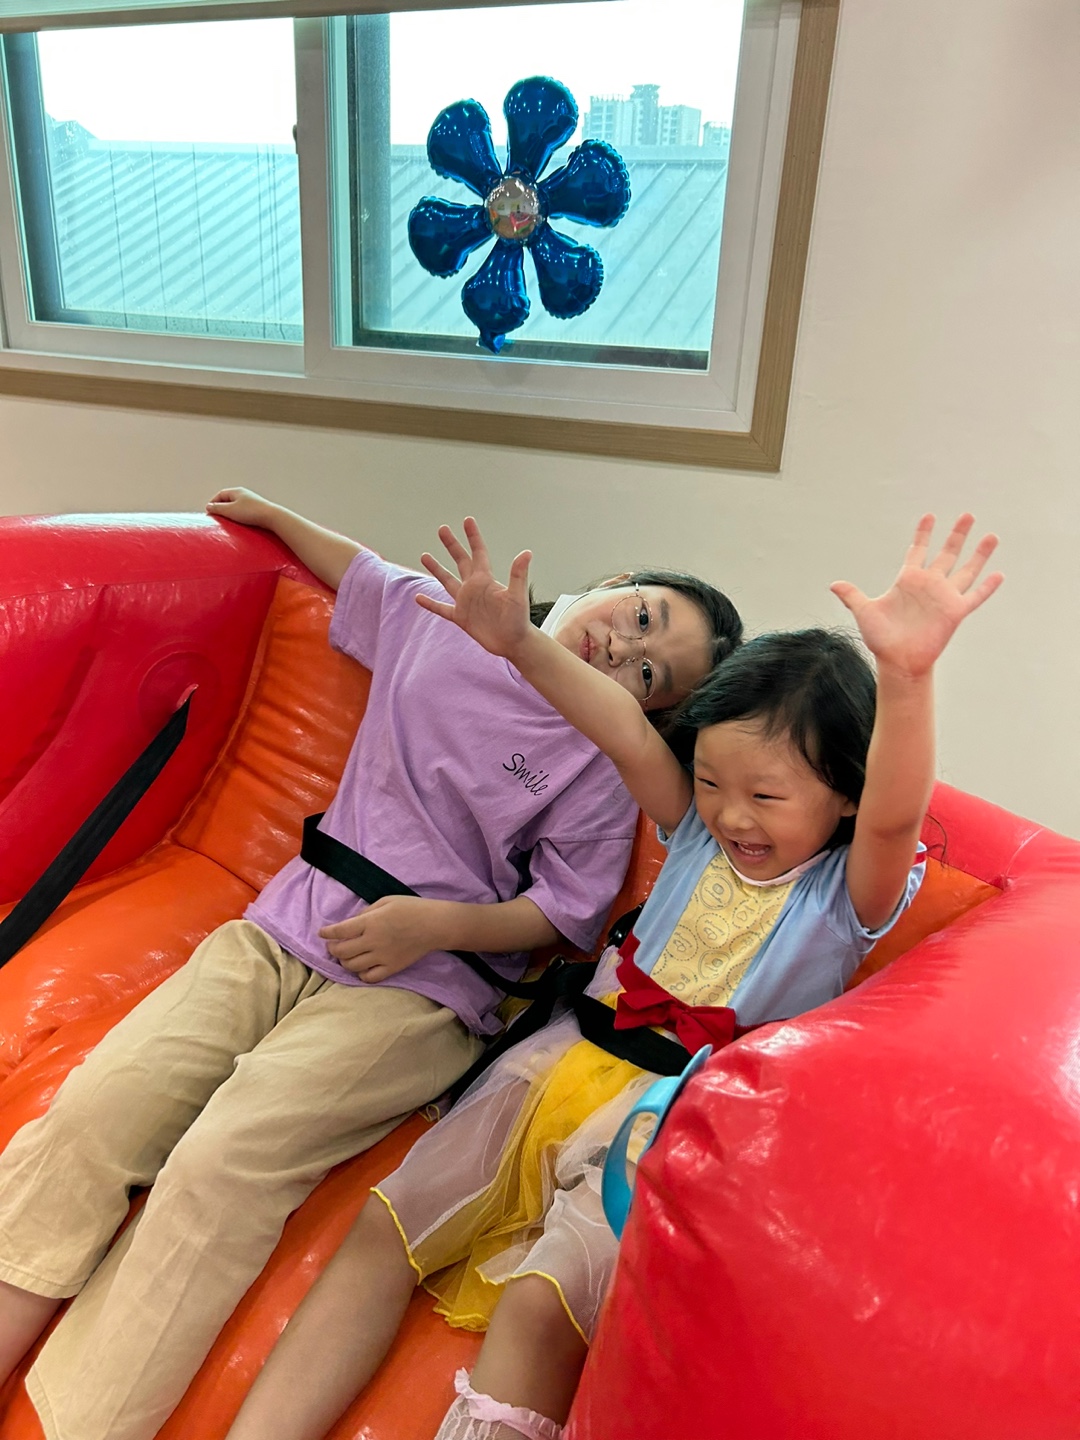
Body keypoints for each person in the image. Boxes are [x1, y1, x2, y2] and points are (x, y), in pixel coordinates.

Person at [225, 512, 1002, 1440]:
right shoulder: (694, 830)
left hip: (668, 1123)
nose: (732, 816)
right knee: (389, 1224)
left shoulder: (847, 894)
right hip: (555, 1064)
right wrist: (517, 643)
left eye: (765, 796)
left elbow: (894, 817)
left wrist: (907, 678)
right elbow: (628, 732)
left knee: (539, 1306)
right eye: (711, 782)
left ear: (842, 794)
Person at [0, 490, 743, 1440]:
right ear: (617, 582)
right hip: (282, 928)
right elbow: (356, 570)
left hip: (420, 991)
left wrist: (431, 927)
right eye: (642, 616)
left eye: (650, 673)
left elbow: (563, 913)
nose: (624, 649)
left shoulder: (601, 760)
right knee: (98, 1108)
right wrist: (271, 513)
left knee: (223, 1161)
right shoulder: (438, 621)